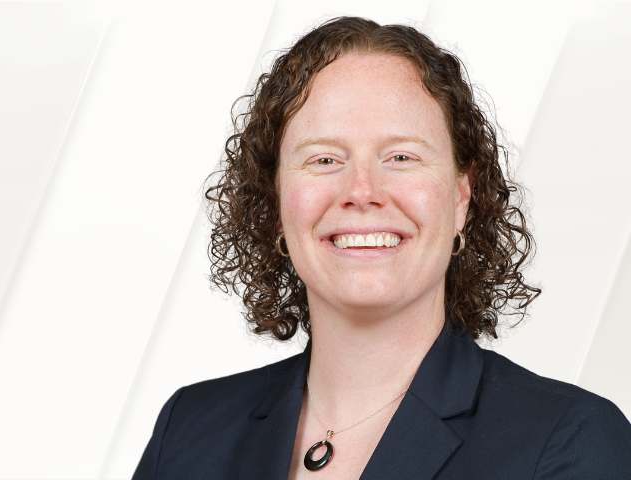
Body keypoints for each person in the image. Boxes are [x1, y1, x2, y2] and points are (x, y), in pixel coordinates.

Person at [134, 17, 631, 479]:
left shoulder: (571, 440)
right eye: (325, 158)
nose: (362, 189)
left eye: (401, 156)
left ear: (462, 196)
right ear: (276, 198)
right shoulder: (187, 431)